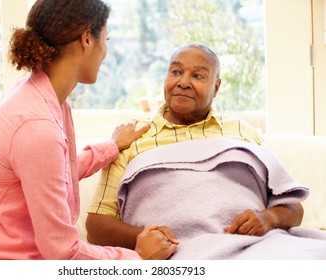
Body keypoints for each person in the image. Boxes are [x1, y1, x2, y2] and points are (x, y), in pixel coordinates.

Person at [0, 0, 178, 260]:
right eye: (106, 38)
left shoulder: (42, 95)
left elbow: (54, 173)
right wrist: (138, 257)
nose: (106, 51)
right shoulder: (36, 126)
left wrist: (111, 147)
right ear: (86, 40)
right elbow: (63, 252)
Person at [86, 43, 304, 250]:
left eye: (198, 75)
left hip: (251, 248)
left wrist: (268, 218)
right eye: (176, 72)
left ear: (216, 87)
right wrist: (144, 236)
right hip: (171, 255)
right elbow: (96, 226)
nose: (183, 82)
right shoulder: (131, 138)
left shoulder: (242, 132)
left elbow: (293, 208)